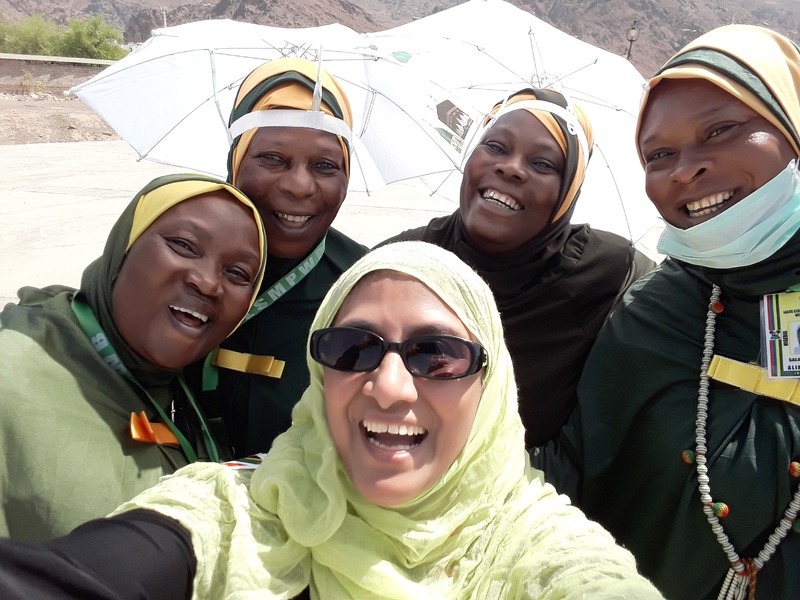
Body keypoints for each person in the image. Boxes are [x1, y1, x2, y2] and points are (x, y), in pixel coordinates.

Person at [0, 241, 664, 600]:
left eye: (437, 353)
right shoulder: (242, 508)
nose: (389, 386)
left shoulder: (534, 543)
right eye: (353, 348)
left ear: (490, 386)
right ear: (318, 378)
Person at [533, 25, 800, 600]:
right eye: (659, 155)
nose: (685, 169)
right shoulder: (653, 312)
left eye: (720, 130)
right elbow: (578, 469)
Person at [380, 88, 655, 446]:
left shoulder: (610, 273)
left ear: (568, 191)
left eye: (542, 164)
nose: (510, 168)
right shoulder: (402, 261)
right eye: (495, 147)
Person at [0, 173, 267, 541]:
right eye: (184, 245)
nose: (207, 282)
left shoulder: (177, 388)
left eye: (238, 273)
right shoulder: (12, 376)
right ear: (123, 249)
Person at [187, 57, 368, 458]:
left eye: (324, 165)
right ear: (235, 162)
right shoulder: (180, 263)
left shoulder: (366, 287)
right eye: (273, 159)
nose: (299, 186)